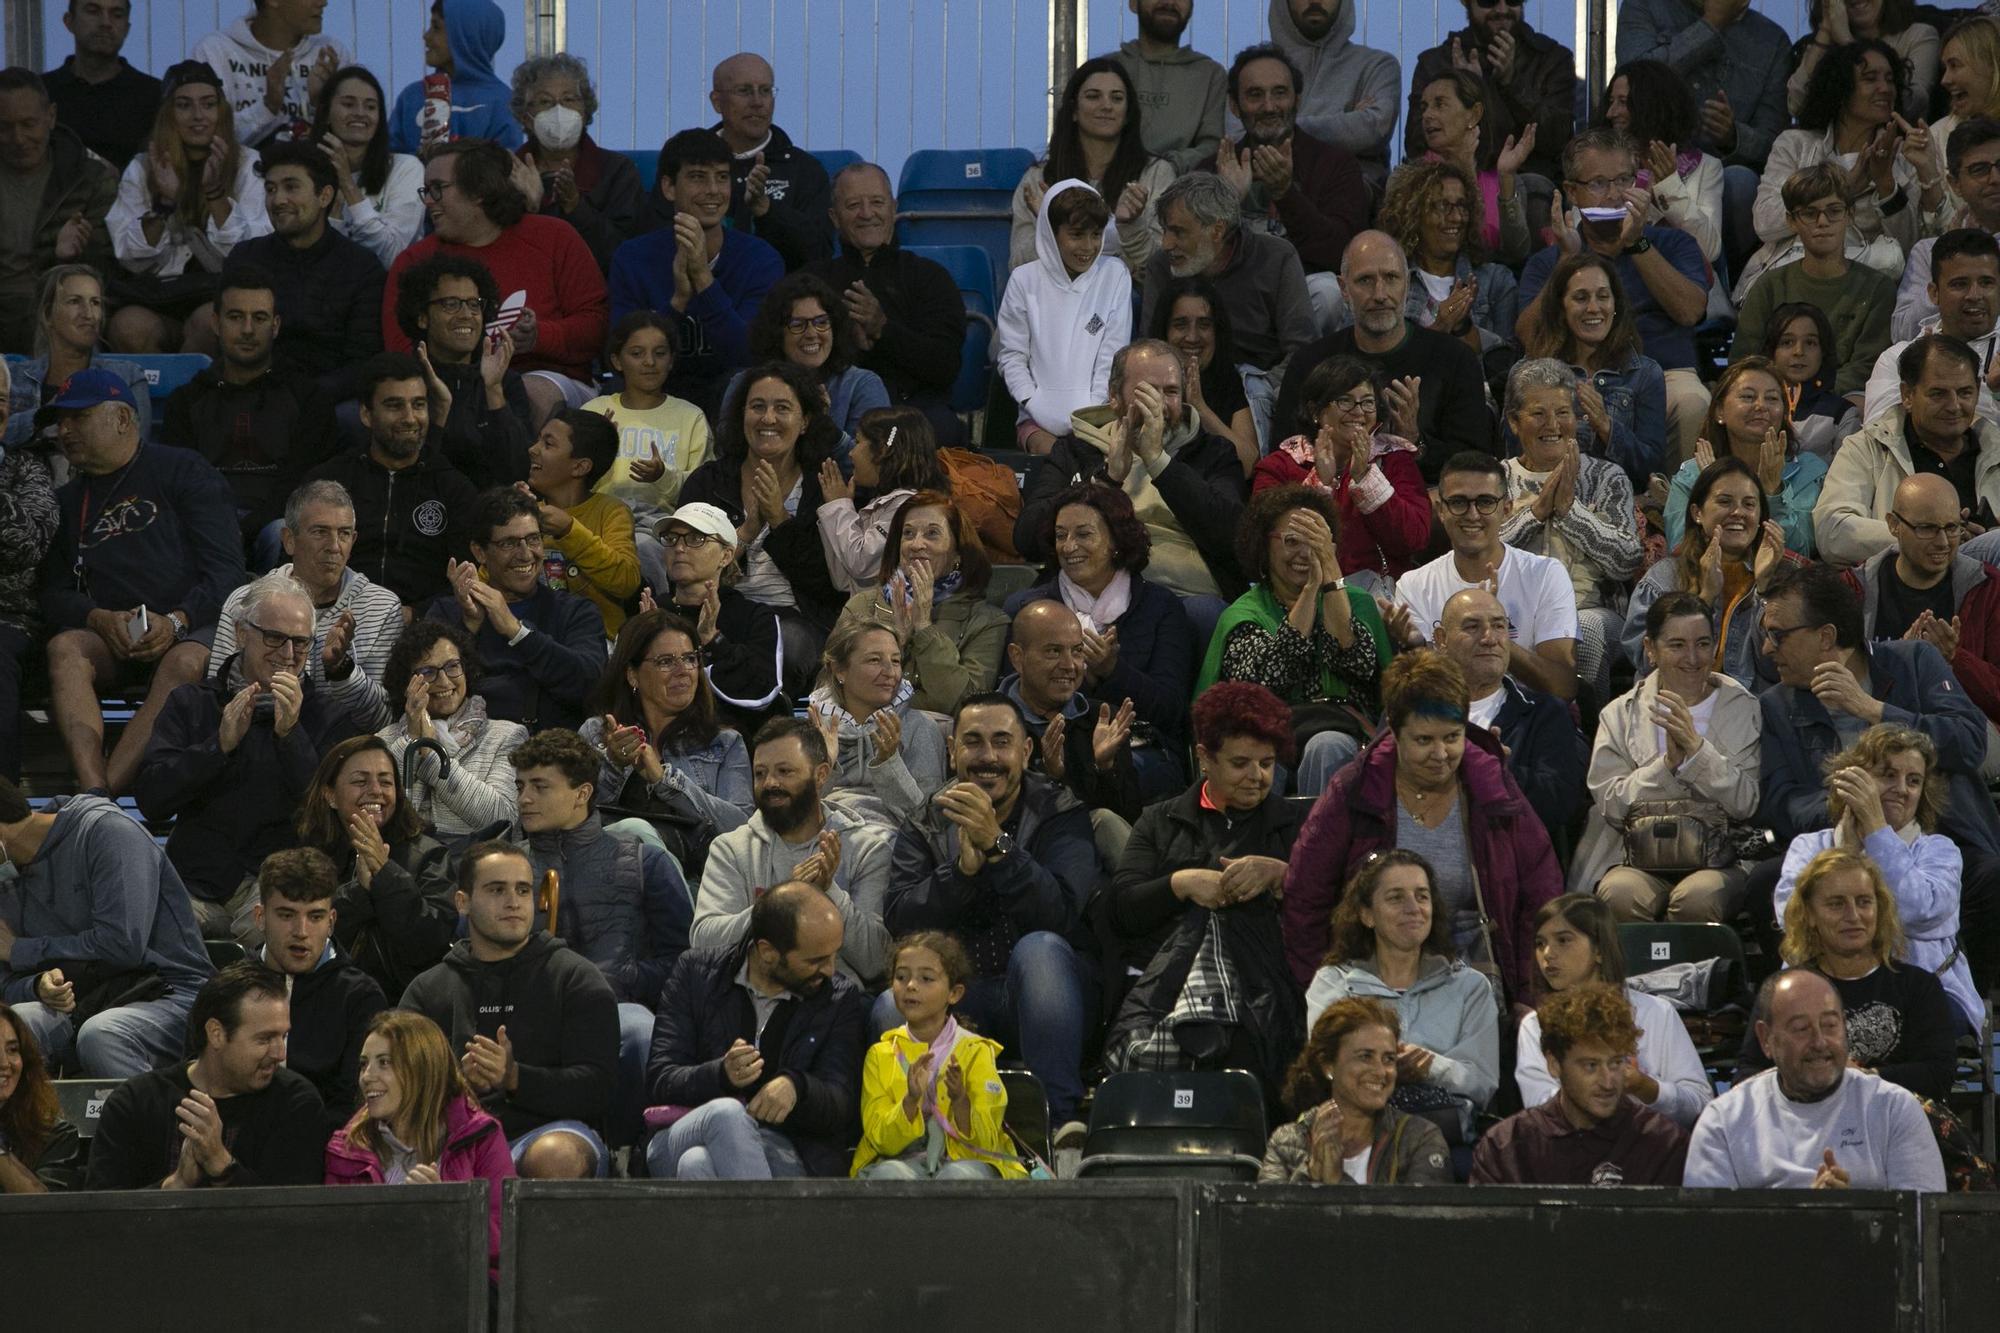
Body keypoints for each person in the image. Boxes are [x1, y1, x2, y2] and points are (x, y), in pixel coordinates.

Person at [1282, 650, 1564, 1004]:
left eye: (1452, 737)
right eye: (1423, 740)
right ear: (1395, 734)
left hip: (1479, 979)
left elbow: (1541, 892)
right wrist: (1326, 994)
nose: (1441, 754)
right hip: (1372, 985)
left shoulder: (1492, 786)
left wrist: (1527, 995)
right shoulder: (1354, 789)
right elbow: (1306, 896)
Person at [884, 693, 1101, 1141]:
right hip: (961, 997)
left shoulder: (1061, 811)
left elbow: (1060, 914)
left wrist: (999, 848)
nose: (988, 758)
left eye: (1002, 743)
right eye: (973, 742)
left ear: (1026, 751)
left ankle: (1055, 1123)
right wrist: (960, 873)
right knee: (888, 1003)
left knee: (1039, 950)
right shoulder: (925, 820)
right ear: (951, 752)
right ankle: (914, 1130)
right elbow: (901, 921)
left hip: (1044, 994)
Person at [42, 368, 247, 796]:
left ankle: (103, 796)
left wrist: (176, 620)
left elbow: (227, 572)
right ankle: (92, 787)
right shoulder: (65, 501)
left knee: (183, 663)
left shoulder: (182, 470)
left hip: (192, 624)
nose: (64, 430)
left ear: (122, 418)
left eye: (78, 417)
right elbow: (51, 594)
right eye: (60, 420)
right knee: (65, 648)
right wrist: (97, 618)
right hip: (116, 635)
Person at [136, 572, 371, 930]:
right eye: (275, 638)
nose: (289, 655)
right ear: (241, 633)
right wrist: (219, 746)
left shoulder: (330, 718)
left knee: (285, 936)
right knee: (144, 927)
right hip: (196, 883)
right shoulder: (191, 703)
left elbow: (331, 823)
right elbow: (152, 799)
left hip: (282, 888)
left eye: (301, 643)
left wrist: (291, 735)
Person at [1103, 681, 1303, 1097]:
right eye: (1241, 763)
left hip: (1264, 990)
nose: (1257, 777)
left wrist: (1284, 877)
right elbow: (1120, 909)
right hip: (1165, 984)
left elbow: (1337, 907)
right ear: (1204, 759)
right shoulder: (1160, 820)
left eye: (1267, 764)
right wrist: (1181, 883)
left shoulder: (1297, 825)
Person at [1755, 561, 2000, 871]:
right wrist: (1863, 804)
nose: (1766, 648)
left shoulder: (1914, 661)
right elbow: (1782, 803)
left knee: (1992, 877)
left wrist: (1872, 708)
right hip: (1843, 855)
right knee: (1764, 882)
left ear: (1826, 637)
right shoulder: (1775, 706)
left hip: (1945, 844)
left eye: (1778, 635)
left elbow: (1969, 742)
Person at [400, 841, 619, 1178]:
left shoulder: (575, 977)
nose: (513, 902)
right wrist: (460, 1087)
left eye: (522, 890)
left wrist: (515, 1078)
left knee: (557, 1155)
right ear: (463, 902)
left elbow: (598, 1089)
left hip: (546, 1131)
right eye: (496, 890)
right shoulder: (428, 990)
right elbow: (403, 1089)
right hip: (452, 1139)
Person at [646, 882, 868, 1179]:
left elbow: (841, 1102)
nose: (829, 969)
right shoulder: (696, 974)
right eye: (815, 960)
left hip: (786, 1146)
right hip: (685, 1129)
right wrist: (720, 1075)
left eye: (834, 955)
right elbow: (661, 1078)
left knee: (696, 1164)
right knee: (727, 1115)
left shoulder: (838, 998)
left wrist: (797, 1087)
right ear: (767, 952)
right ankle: (768, 1225)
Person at [1517, 129, 1713, 462]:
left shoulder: (1672, 243)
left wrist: (1637, 244)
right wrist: (1567, 259)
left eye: (1624, 180)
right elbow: (1529, 337)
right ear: (1572, 192)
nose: (1614, 195)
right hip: (1575, 374)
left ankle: (1675, 504)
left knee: (1694, 401)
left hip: (1664, 373)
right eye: (1598, 184)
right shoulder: (1548, 260)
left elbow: (1690, 311)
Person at [1772, 726, 1982, 1035]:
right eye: (1887, 775)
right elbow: (1795, 919)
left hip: (1925, 992)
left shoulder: (1939, 851)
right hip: (1824, 991)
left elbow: (1917, 910)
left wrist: (1875, 829)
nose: (1901, 789)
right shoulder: (1810, 847)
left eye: (1914, 781)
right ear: (1853, 780)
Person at [0, 778, 212, 1078]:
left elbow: (122, 945)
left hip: (169, 991)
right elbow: (5, 983)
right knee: (15, 1029)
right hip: (84, 1001)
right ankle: (34, 1126)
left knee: (102, 1036)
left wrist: (23, 950)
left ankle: (156, 1122)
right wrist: (38, 986)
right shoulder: (5, 880)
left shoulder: (108, 832)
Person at [1015, 339, 1251, 604]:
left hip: (1183, 594)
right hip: (1085, 588)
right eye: (1148, 391)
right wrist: (1106, 482)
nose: (1159, 405)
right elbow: (1027, 538)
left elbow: (1234, 537)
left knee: (1205, 613)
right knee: (1024, 608)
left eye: (1171, 392)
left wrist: (1158, 461)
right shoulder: (1076, 449)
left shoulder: (1213, 452)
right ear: (1115, 397)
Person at [1574, 593, 1762, 920]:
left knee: (1698, 898)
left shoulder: (1744, 707)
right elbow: (1612, 805)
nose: (1692, 657)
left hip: (1720, 857)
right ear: (1650, 649)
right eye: (1676, 645)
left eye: (1703, 644)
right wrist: (1666, 766)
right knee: (1620, 893)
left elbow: (1746, 801)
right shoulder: (1618, 714)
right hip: (1634, 856)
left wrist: (1697, 751)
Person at [382, 138, 608, 407]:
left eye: (438, 189)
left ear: (479, 190)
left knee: (529, 393)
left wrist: (540, 336)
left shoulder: (555, 237)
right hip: (448, 382)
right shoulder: (414, 261)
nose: (428, 201)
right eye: (426, 190)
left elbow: (596, 325)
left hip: (547, 376)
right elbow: (400, 347)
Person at [1196, 484, 1390, 792]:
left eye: (1315, 543)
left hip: (1344, 731)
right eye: (1291, 541)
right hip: (1263, 735)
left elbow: (1357, 662)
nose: (1304, 553)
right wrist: (1311, 591)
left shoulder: (1356, 602)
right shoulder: (1244, 614)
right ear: (1265, 545)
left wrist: (1329, 582)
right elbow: (1269, 679)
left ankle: (1324, 839)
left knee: (1327, 746)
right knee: (1257, 759)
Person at [1682, 967, 1946, 1190]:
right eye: (1801, 1029)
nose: (1819, 1042)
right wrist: (1811, 1218)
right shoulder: (1723, 1122)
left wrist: (1858, 1213)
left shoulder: (1894, 1110)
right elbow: (1709, 1238)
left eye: (1830, 1025)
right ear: (1766, 1039)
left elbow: (1923, 1228)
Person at [1303, 850, 1502, 1139]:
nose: (1413, 908)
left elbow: (1482, 1083)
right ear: (1367, 915)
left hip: (1445, 1139)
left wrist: (1431, 1066)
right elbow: (1326, 1066)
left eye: (1422, 896)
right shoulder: (1334, 983)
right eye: (1396, 897)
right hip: (1357, 1134)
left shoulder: (1470, 987)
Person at [1272, 231, 1495, 487]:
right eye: (1365, 280)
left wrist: (1415, 443)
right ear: (1344, 289)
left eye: (1391, 278)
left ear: (1407, 284)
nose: (1380, 293)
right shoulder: (1310, 364)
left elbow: (1476, 466)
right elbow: (1282, 459)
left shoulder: (1455, 359)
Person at [1006, 481, 1198, 767]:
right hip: (1045, 743)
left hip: (1140, 748)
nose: (1069, 547)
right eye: (1061, 536)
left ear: (1116, 542)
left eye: (1084, 534)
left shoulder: (1160, 607)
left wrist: (1112, 671)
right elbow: (1010, 694)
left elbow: (1170, 710)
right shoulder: (1029, 608)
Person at [85, 962, 325, 1189]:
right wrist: (176, 1185)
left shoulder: (296, 1104)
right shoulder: (135, 1102)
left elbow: (293, 1221)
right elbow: (99, 1218)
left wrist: (221, 1165)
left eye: (282, 1037)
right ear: (216, 1033)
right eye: (264, 1039)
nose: (280, 1053)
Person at [693, 717, 892, 985]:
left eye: (785, 771)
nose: (770, 783)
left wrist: (830, 892)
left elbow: (874, 963)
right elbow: (704, 945)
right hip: (751, 996)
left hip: (834, 1000)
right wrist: (779, 903)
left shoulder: (867, 850)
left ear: (821, 775)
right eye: (760, 773)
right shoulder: (731, 848)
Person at [1749, 847, 1962, 1097]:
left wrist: (1858, 1079)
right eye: (1836, 904)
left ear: (1879, 909)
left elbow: (1938, 1075)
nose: (1853, 916)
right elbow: (1748, 1073)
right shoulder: (1786, 993)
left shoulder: (1917, 986)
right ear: (1810, 915)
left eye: (1864, 902)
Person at [1743, 40, 1942, 298]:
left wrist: (1886, 185)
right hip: (1789, 282)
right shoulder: (1795, 145)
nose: (1885, 88)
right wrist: (1841, 189)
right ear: (1840, 88)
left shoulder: (1904, 156)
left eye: (1890, 80)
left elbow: (1907, 250)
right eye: (1870, 79)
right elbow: (1765, 223)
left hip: (1864, 294)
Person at [608, 128, 782, 419]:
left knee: (743, 383)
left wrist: (703, 279)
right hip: (656, 389)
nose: (713, 190)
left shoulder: (761, 259)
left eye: (722, 177)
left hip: (729, 393)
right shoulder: (633, 258)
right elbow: (623, 355)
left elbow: (750, 356)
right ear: (668, 187)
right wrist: (677, 301)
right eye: (698, 177)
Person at [1497, 360, 1644, 701]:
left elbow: (1625, 561)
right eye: (1538, 414)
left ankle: (1585, 729)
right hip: (1510, 611)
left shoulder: (1606, 477)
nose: (1553, 425)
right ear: (1514, 422)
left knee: (1585, 630)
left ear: (1577, 420)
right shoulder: (1497, 479)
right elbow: (1480, 552)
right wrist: (1535, 514)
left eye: (1563, 413)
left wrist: (1570, 512)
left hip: (1591, 610)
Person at [105, 60, 271, 354]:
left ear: (222, 112)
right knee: (128, 327)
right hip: (157, 296)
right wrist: (165, 203)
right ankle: (150, 400)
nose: (198, 116)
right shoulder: (144, 166)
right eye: (184, 106)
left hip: (219, 295)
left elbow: (248, 256)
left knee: (210, 323)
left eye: (208, 105)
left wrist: (215, 193)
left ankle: (195, 399)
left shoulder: (248, 163)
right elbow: (128, 256)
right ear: (168, 114)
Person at [325, 1009, 514, 1268]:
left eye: (384, 1062)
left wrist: (448, 1210)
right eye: (364, 1064)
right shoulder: (346, 1150)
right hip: (373, 1289)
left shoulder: (481, 1136)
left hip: (461, 1287)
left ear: (422, 1069)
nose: (367, 1076)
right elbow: (335, 1245)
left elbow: (507, 1241)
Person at [1202, 43, 1369, 336]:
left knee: (1329, 293)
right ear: (1234, 105)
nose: (1269, 106)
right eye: (1255, 95)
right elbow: (1190, 257)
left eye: (1280, 93)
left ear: (1297, 99)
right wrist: (1227, 203)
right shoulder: (1212, 167)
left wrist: (1285, 193)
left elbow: (1341, 255)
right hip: (1230, 293)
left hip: (1305, 295)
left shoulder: (1334, 163)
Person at [162, 273, 340, 548]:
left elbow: (303, 484)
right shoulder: (185, 402)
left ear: (276, 325)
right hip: (205, 529)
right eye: (235, 317)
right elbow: (181, 486)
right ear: (215, 323)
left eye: (259, 318)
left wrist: (248, 528)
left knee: (287, 531)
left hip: (277, 526)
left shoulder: (308, 398)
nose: (247, 329)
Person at [676, 361, 847, 645]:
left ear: (804, 421)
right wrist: (746, 532)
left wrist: (780, 521)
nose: (768, 418)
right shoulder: (709, 482)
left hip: (798, 621)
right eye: (757, 407)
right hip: (718, 612)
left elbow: (830, 587)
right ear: (741, 415)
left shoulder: (824, 484)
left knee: (787, 642)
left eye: (782, 408)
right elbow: (684, 572)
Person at [1143, 171, 1317, 447]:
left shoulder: (1276, 257)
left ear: (1217, 230)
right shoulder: (1160, 266)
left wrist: (1257, 390)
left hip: (1257, 392)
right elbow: (1151, 348)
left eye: (1178, 232)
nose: (1166, 244)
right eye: (1165, 230)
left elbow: (1302, 350)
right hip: (1180, 390)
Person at [1394, 451, 1581, 704]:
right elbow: (1422, 693)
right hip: (1451, 721)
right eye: (1459, 502)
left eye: (1485, 502)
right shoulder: (1414, 585)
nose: (1472, 515)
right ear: (1441, 510)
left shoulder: (1545, 574)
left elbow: (1562, 686)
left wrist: (1493, 634)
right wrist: (1416, 647)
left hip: (1529, 721)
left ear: (1506, 509)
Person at [416, 487, 605, 733]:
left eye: (533, 539)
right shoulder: (447, 613)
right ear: (479, 552)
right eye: (509, 543)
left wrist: (518, 633)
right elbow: (429, 690)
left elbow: (589, 685)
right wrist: (468, 630)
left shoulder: (575, 611)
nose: (526, 554)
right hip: (466, 753)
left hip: (551, 755)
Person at [1514, 894, 1713, 1126]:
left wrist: (1644, 1087)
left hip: (1648, 1150)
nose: (1547, 954)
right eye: (1540, 944)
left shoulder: (1657, 1012)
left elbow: (1699, 1104)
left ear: (1599, 950)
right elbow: (1540, 1108)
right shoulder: (1536, 1025)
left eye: (1563, 940)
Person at [301, 353, 480, 608]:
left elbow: (468, 582)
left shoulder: (454, 489)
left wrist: (416, 615)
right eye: (394, 405)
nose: (409, 418)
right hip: (333, 619)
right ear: (366, 414)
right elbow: (296, 568)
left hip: (424, 629)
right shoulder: (329, 481)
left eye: (418, 405)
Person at [1471, 981, 1693, 1186]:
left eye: (1616, 1063)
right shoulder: (1506, 1149)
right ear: (1554, 1064)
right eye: (1591, 1066)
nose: (1608, 1082)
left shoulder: (1664, 1145)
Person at [803, 163, 969, 436]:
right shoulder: (812, 281)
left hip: (912, 415)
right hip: (831, 409)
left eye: (877, 202)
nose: (866, 214)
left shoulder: (930, 277)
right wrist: (845, 341)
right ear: (834, 217)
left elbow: (945, 366)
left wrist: (883, 330)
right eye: (854, 204)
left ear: (894, 207)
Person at [296, 734, 458, 1001]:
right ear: (330, 795)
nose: (376, 791)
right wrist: (360, 892)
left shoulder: (430, 855)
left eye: (386, 781)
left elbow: (430, 943)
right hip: (323, 1000)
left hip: (404, 1007)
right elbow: (299, 935)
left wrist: (386, 875)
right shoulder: (308, 859)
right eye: (361, 781)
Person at [1841, 474, 2000, 741]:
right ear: (1893, 525)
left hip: (1956, 737)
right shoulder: (1852, 589)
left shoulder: (1988, 589)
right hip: (1870, 735)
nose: (1943, 542)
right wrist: (1898, 661)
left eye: (1952, 527)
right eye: (1927, 528)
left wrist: (1955, 659)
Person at [1820, 334, 2000, 566]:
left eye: (1965, 392)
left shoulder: (1995, 448)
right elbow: (1833, 530)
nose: (1955, 406)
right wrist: (1929, 537)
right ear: (1907, 395)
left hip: (1985, 587)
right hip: (1896, 588)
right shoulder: (1866, 448)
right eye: (1938, 394)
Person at [1252, 355, 1428, 590]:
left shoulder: (1396, 459)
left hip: (1376, 600)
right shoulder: (1280, 465)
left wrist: (1366, 477)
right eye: (1345, 401)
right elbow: (1265, 538)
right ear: (1316, 410)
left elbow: (1414, 539)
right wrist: (1320, 483)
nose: (1359, 412)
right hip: (1298, 593)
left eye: (1367, 402)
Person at [854, 931, 1019, 1179]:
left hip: (967, 1161)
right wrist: (910, 1100)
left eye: (926, 978)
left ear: (954, 993)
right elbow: (880, 1139)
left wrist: (961, 1099)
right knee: (890, 1176)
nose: (910, 985)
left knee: (959, 1178)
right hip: (900, 1161)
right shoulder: (880, 1054)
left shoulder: (976, 1052)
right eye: (901, 977)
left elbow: (986, 1140)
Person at [1433, 587, 1589, 844]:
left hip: (1508, 857)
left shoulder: (1544, 713)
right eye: (1472, 627)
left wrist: (1502, 772)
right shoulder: (1413, 709)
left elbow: (1560, 806)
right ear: (1441, 639)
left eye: (1499, 626)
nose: (1489, 638)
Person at [226, 140, 385, 391]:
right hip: (255, 392)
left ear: (324, 196)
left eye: (291, 187)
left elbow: (363, 361)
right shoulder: (245, 258)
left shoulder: (361, 267)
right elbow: (228, 343)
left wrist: (307, 396)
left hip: (331, 401)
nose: (278, 200)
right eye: (270, 189)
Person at [831, 491, 1007, 715]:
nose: (916, 544)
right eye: (908, 533)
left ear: (957, 554)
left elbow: (965, 704)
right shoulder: (861, 607)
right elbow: (831, 683)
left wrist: (924, 627)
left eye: (932, 533)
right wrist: (898, 644)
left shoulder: (987, 622)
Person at [1729, 165, 1895, 401]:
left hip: (1841, 399)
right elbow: (1744, 360)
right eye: (1809, 213)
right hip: (1774, 399)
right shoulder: (1769, 285)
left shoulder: (1878, 288)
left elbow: (1867, 366)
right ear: (1792, 221)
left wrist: (1811, 392)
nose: (1822, 221)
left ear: (1849, 215)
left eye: (1834, 210)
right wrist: (1782, 394)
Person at [582, 607, 753, 837]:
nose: (683, 671)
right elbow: (573, 818)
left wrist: (665, 781)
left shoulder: (724, 743)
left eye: (690, 658)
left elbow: (742, 830)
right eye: (666, 661)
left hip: (696, 870)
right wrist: (613, 765)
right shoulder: (596, 734)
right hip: (612, 866)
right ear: (633, 674)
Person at [1626, 457, 1794, 690]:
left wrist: (1764, 588)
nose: (1738, 512)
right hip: (1673, 702)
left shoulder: (1786, 578)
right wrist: (1704, 599)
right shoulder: (1663, 579)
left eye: (1749, 504)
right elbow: (1647, 661)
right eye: (1725, 501)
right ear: (1697, 513)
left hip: (1752, 712)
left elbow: (1777, 669)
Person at [247, 847, 386, 1120]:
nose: (301, 932)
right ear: (260, 918)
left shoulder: (360, 998)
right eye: (287, 915)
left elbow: (355, 1105)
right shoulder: (227, 990)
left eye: (315, 917)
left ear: (331, 921)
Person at [1257, 996, 1453, 1185]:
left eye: (1389, 1059)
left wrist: (1337, 1181)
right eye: (1365, 1056)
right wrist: (1311, 1173)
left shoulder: (1419, 1139)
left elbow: (1423, 1218)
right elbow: (1265, 1217)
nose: (1380, 1071)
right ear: (1328, 1065)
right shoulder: (1287, 1142)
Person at [1009, 57, 1176, 276]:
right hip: (1055, 303)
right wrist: (1050, 229)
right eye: (1093, 96)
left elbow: (1162, 267)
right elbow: (1018, 265)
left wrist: (1132, 227)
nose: (1106, 106)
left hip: (1128, 301)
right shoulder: (1037, 179)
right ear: (1074, 110)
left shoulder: (1157, 174)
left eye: (1117, 98)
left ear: (1128, 114)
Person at [1000, 181, 1131, 455]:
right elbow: (1012, 356)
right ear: (1051, 233)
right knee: (1057, 462)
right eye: (1076, 234)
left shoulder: (1115, 274)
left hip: (1101, 418)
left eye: (1096, 234)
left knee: (1090, 464)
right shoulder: (1024, 280)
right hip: (1035, 420)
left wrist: (1093, 414)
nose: (1088, 246)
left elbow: (1113, 355)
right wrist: (1033, 401)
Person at [1519, 252, 1669, 487]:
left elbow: (1652, 468)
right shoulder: (1529, 374)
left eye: (1603, 297)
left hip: (1621, 504)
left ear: (1615, 305)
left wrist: (1607, 426)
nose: (1593, 308)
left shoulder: (1644, 374)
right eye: (1580, 297)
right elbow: (1514, 455)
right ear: (1561, 308)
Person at [391, 251, 533, 491]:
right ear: (422, 317)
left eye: (474, 304)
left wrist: (494, 391)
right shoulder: (404, 381)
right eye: (451, 304)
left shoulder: (504, 382)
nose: (466, 315)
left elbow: (518, 471)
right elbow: (405, 471)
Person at [377, 617, 527, 842]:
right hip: (403, 864)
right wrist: (412, 738)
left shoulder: (507, 736)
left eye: (452, 666)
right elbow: (379, 811)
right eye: (428, 672)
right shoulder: (384, 742)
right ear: (406, 682)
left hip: (478, 866)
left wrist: (430, 754)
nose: (445, 681)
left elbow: (502, 819)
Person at [0, 68, 116, 354]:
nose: (17, 138)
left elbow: (109, 271)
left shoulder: (89, 179)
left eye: (29, 124)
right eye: (4, 127)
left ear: (51, 117)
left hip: (56, 305)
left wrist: (64, 256)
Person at [584, 311, 712, 567]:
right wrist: (600, 448)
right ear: (617, 361)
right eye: (637, 353)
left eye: (660, 353)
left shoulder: (691, 417)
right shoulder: (593, 411)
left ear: (672, 361)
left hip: (662, 526)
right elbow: (570, 478)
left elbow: (703, 489)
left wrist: (662, 475)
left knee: (643, 550)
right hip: (598, 520)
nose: (650, 362)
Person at [1664, 358, 1828, 557]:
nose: (1761, 406)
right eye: (1748, 397)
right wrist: (1712, 486)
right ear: (1719, 411)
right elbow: (1681, 551)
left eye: (1772, 399)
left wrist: (1773, 494)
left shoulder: (1810, 471)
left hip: (1781, 583)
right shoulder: (1692, 475)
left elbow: (1800, 551)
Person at [1404, 0, 1575, 183]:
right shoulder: (1436, 62)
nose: (1502, 10)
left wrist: (1511, 84)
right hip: (1450, 176)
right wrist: (1465, 89)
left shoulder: (1552, 59)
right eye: (1489, 1)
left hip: (1526, 179)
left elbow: (1558, 139)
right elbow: (1416, 144)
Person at [1002, 600, 1143, 821]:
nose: (1070, 665)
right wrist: (1049, 775)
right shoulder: (989, 721)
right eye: (1053, 651)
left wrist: (1105, 767)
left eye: (1077, 651)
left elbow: (1128, 819)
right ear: (1017, 657)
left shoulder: (1103, 720)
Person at [1614, 0, 1792, 175]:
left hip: (1722, 174)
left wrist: (1733, 137)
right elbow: (1634, 79)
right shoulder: (1643, 6)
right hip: (1645, 160)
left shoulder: (1772, 39)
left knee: (1740, 181)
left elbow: (1774, 144)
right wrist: (1711, 24)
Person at [1377, 156, 1524, 363]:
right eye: (1443, 206)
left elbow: (1507, 366)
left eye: (1462, 206)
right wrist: (1440, 327)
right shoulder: (1389, 282)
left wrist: (1463, 326)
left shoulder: (1496, 281)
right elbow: (1380, 361)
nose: (1456, 217)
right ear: (1414, 214)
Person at [508, 53, 643, 274]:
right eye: (544, 101)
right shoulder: (506, 173)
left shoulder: (617, 171)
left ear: (584, 111)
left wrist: (575, 206)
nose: (558, 110)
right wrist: (528, 210)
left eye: (569, 99)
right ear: (525, 118)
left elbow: (625, 254)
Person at [647, 502, 784, 720]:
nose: (679, 548)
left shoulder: (755, 617)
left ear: (726, 556)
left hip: (729, 738)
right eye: (671, 539)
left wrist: (712, 641)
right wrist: (639, 638)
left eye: (695, 539)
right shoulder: (652, 613)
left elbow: (763, 693)